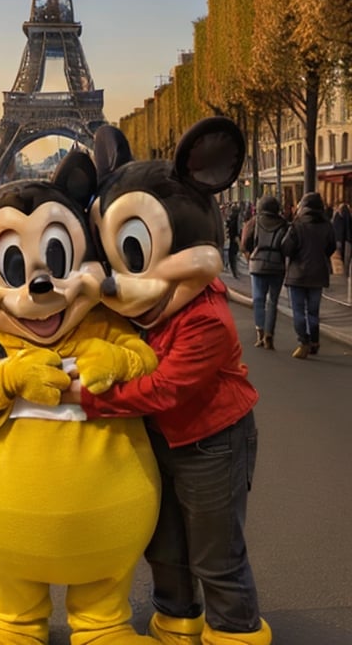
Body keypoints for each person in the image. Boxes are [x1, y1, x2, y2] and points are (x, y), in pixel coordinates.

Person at [64, 121, 272, 645]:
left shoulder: (206, 318)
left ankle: (234, 630)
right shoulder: (136, 313)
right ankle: (176, 622)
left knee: (215, 552)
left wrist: (86, 398)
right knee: (165, 544)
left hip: (212, 443)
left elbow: (164, 390)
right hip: (162, 439)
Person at [281, 192, 336, 359]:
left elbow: (286, 247)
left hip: (297, 274)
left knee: (298, 311)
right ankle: (314, 341)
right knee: (313, 311)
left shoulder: (297, 225)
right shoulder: (326, 225)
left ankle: (303, 341)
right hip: (318, 274)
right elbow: (331, 247)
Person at [240, 195, 288, 349]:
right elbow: (287, 246)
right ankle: (269, 334)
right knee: (273, 301)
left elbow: (245, 243)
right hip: (276, 265)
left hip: (257, 265)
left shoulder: (254, 222)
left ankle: (259, 331)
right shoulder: (283, 224)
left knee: (258, 299)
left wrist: (250, 256)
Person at [332, 202, 352, 277]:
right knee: (346, 259)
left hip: (338, 240)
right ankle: (345, 274)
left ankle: (341, 274)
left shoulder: (337, 216)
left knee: (339, 259)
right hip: (346, 240)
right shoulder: (347, 216)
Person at [226, 205, 240, 278]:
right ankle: (235, 270)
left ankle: (234, 270)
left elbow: (229, 227)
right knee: (234, 254)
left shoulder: (231, 218)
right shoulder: (237, 218)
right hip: (235, 238)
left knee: (232, 254)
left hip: (232, 238)